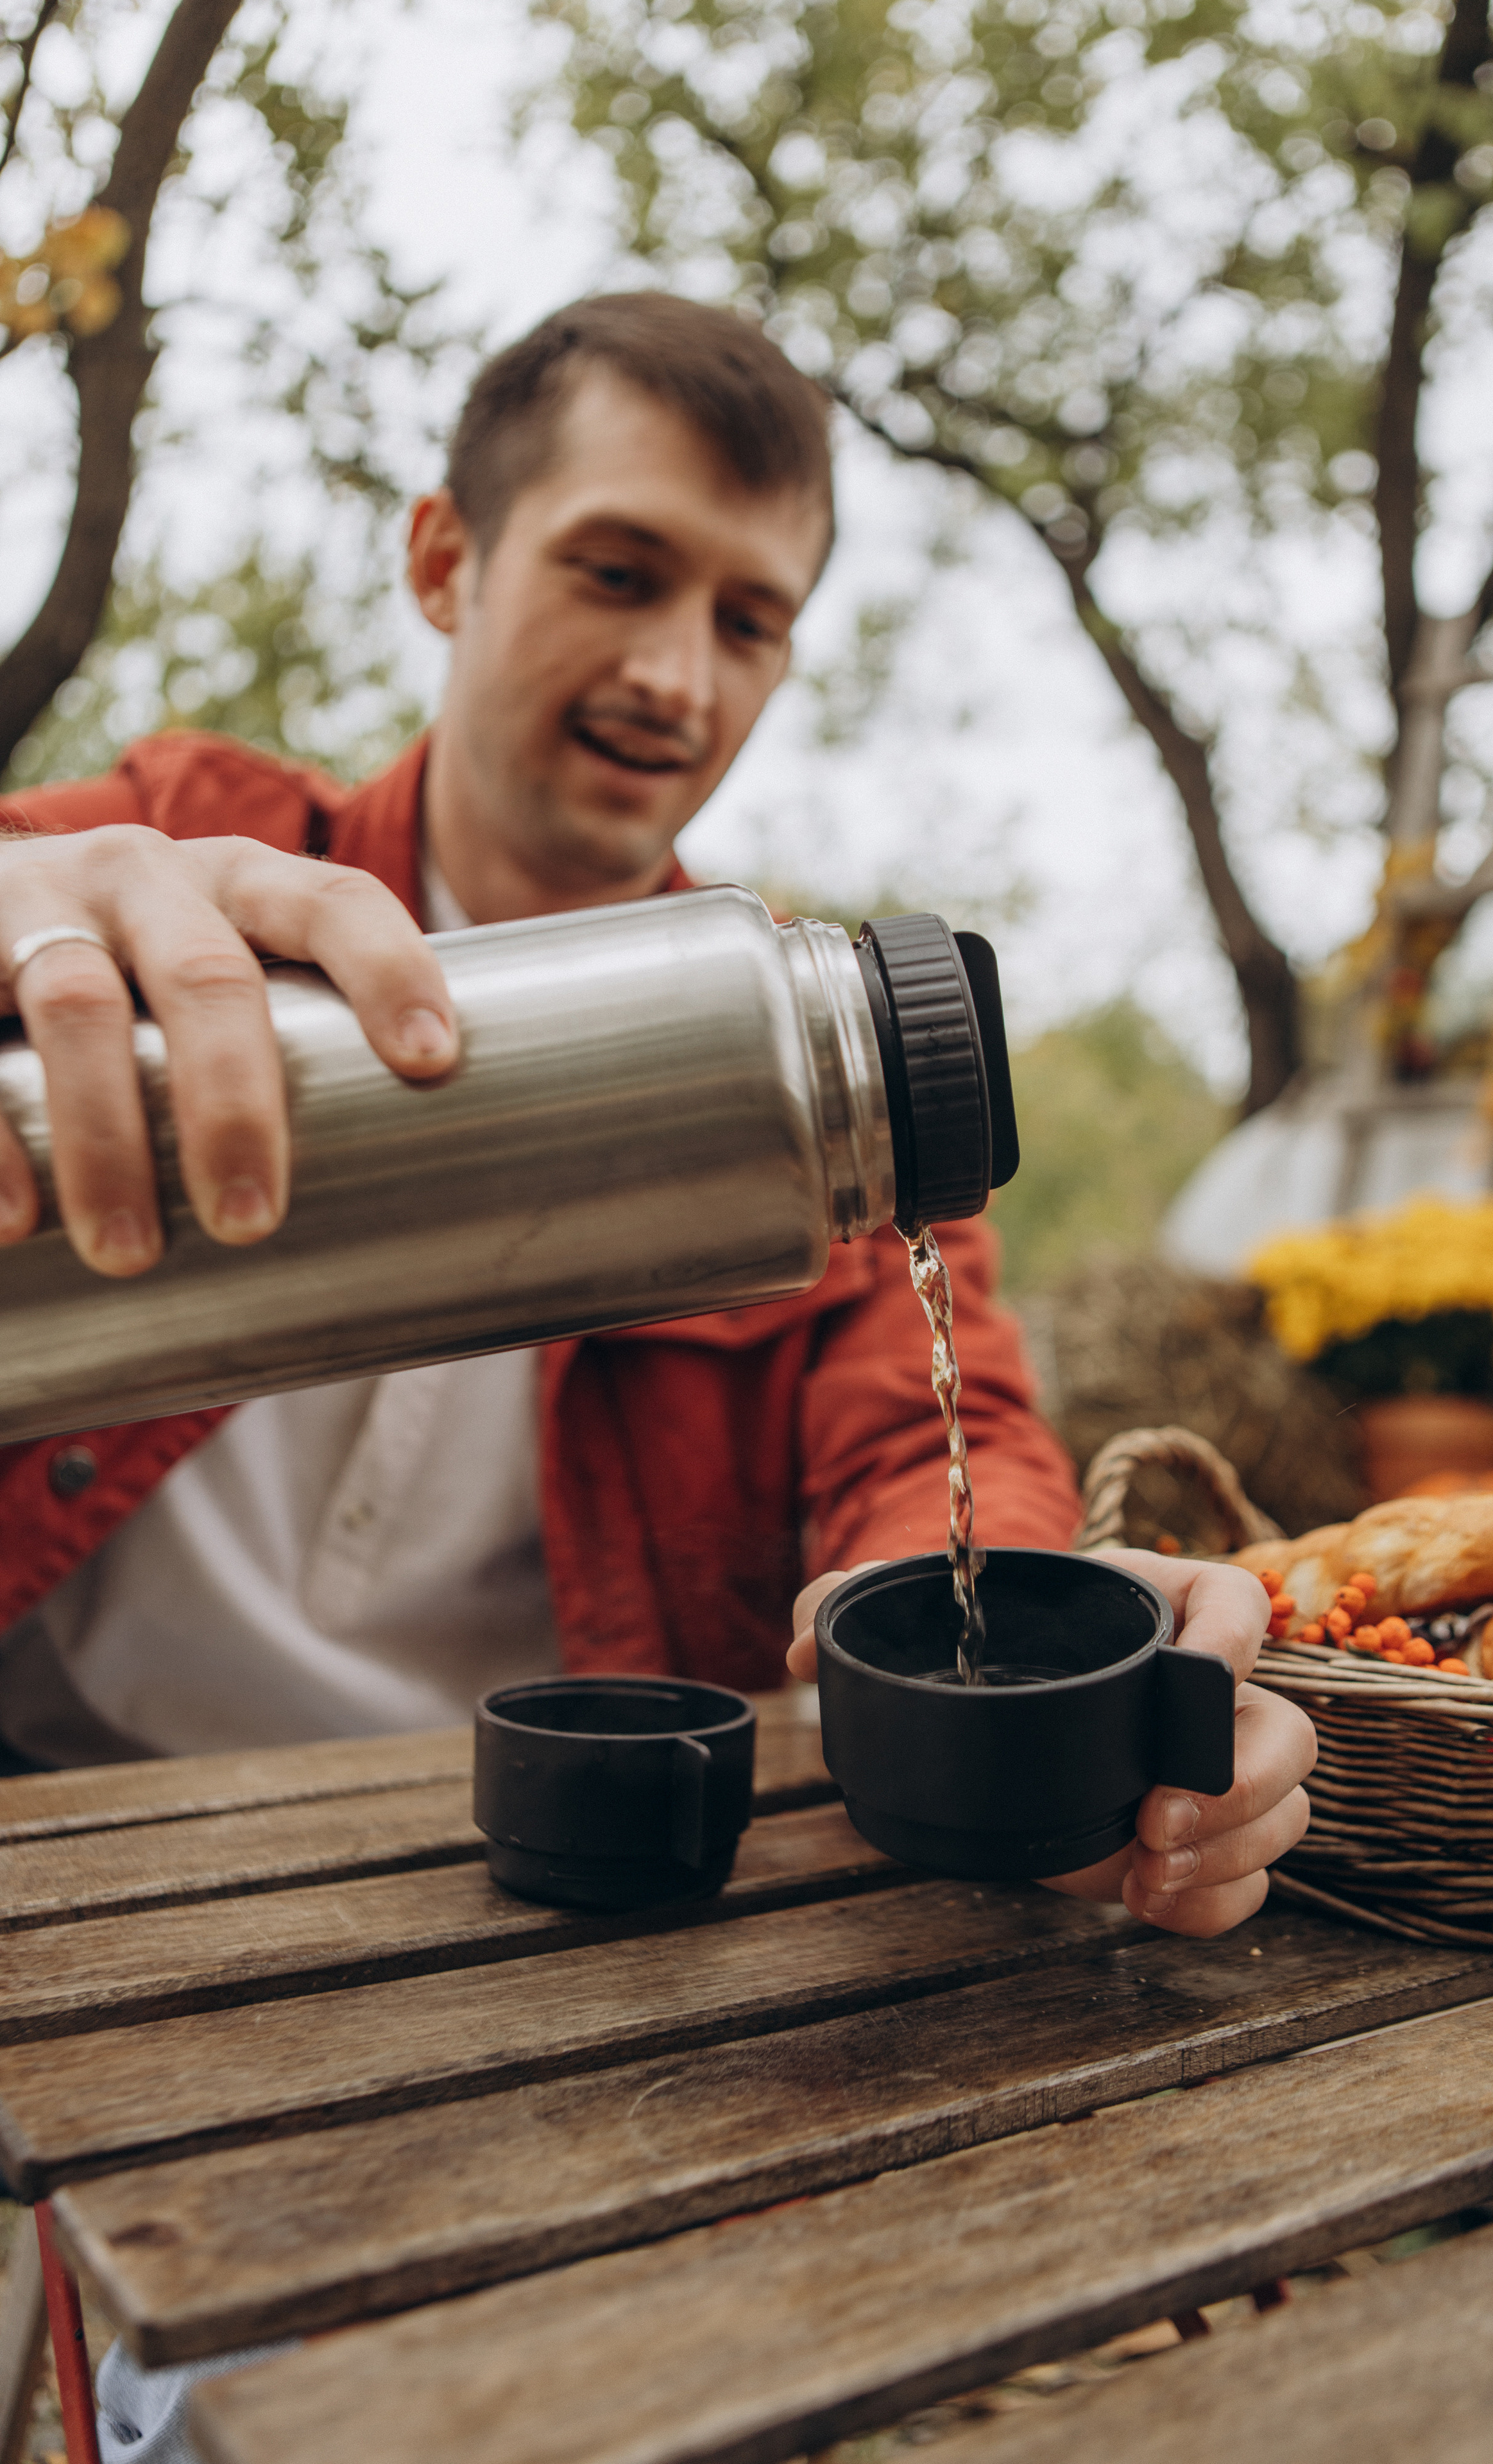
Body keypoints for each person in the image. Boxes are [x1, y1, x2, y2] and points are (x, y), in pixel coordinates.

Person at [0, 291, 1314, 1933]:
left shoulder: (831, 1091)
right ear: (443, 562)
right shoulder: (174, 848)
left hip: (523, 1903)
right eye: (615, 573)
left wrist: (1060, 1641)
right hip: (48, 1828)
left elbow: (935, 1448)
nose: (675, 677)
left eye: (748, 621)